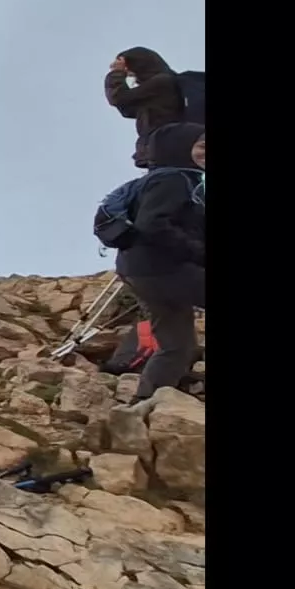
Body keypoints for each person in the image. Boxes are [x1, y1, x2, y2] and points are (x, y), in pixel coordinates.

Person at [106, 122, 205, 401]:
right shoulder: (172, 179)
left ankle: (144, 406)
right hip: (163, 270)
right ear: (179, 149)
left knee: (177, 346)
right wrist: (198, 252)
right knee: (176, 345)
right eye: (200, 146)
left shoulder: (174, 180)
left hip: (141, 273)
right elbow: (153, 225)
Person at [105, 47, 186, 168]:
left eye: (133, 74)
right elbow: (128, 109)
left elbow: (119, 98)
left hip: (165, 147)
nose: (135, 80)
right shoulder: (163, 83)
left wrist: (116, 73)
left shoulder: (162, 81)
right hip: (161, 147)